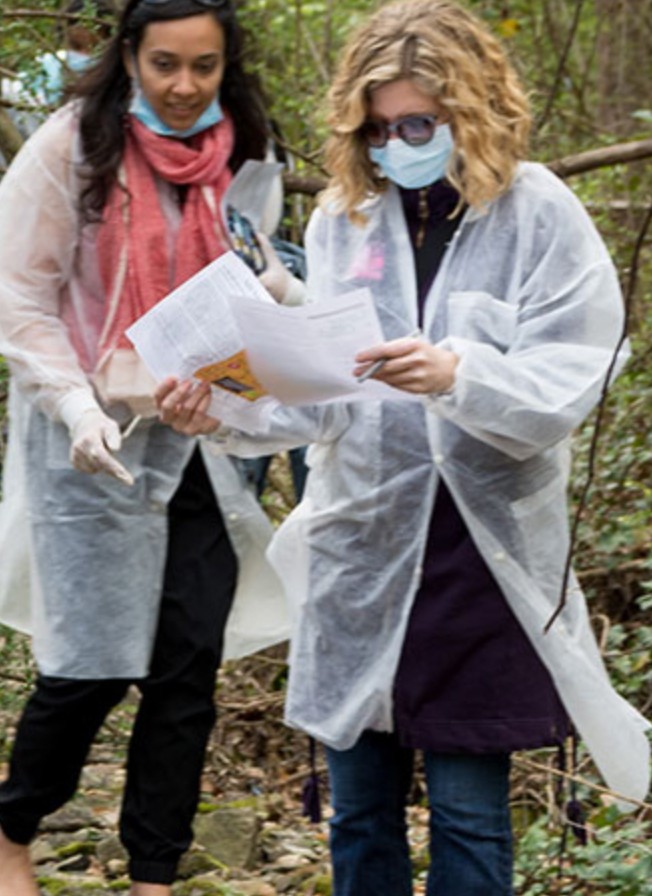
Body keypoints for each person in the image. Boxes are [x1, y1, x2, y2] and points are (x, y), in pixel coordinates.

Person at [156, 3, 652, 894]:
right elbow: (322, 400)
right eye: (379, 128)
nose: (396, 145)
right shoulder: (345, 221)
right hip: (362, 543)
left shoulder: (539, 214)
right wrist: (224, 415)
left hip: (480, 554)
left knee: (466, 810)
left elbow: (573, 376)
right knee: (360, 809)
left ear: (474, 108)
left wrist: (458, 375)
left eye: (417, 123)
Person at [0, 2, 293, 893]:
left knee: (187, 662)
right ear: (129, 58)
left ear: (228, 65)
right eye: (164, 65)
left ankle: (154, 871)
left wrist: (278, 296)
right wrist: (71, 402)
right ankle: (11, 828)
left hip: (201, 437)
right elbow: (12, 294)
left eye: (204, 66)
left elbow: (256, 262)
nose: (184, 87)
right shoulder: (72, 149)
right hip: (95, 438)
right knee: (91, 663)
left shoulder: (246, 149)